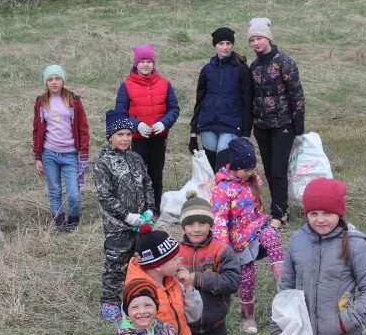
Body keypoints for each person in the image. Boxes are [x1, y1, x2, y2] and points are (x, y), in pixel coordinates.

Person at [275, 177, 366, 335]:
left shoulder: (355, 244)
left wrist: (347, 321)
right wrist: (281, 325)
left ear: (339, 213)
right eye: (313, 213)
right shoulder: (297, 241)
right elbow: (287, 287)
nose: (320, 219)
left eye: (327, 213)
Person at [211, 138, 284, 334]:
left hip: (257, 229)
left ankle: (282, 282)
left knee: (272, 236)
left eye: (252, 168)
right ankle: (247, 317)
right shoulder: (222, 189)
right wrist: (223, 249)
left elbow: (257, 209)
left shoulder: (251, 182)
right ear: (235, 166)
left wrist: (266, 220)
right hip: (238, 242)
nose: (251, 173)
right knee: (247, 279)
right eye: (247, 169)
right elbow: (219, 222)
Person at [94, 110, 157, 323]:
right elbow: (105, 196)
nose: (125, 139)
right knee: (116, 264)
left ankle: (139, 298)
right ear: (110, 137)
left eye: (128, 134)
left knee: (141, 261)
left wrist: (149, 210)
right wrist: (127, 216)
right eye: (120, 134)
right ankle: (110, 301)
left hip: (142, 224)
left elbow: (148, 184)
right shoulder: (104, 162)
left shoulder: (136, 158)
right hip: (117, 226)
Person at [248, 17, 304, 225]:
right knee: (270, 169)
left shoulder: (284, 62)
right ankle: (279, 207)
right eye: (252, 40)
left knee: (279, 169)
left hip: (283, 125)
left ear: (268, 38)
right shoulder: (253, 66)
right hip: (261, 126)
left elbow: (296, 94)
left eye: (259, 38)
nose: (256, 43)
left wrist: (298, 126)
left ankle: (279, 213)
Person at [177, 192, 240, 335]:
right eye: (190, 224)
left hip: (215, 324)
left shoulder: (221, 250)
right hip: (186, 325)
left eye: (202, 223)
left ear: (210, 224)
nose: (196, 229)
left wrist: (196, 279)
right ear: (183, 226)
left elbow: (232, 281)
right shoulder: (175, 252)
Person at [115, 44, 180, 210]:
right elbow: (120, 113)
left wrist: (164, 123)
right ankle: (140, 208)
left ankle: (155, 208)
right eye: (142, 61)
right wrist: (137, 125)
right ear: (136, 64)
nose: (145, 65)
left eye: (149, 61)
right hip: (138, 139)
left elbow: (174, 108)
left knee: (156, 175)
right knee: (138, 175)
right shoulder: (126, 85)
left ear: (153, 63)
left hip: (159, 137)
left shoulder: (164, 83)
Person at [125, 229, 203, 335]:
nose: (179, 262)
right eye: (174, 259)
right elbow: (134, 333)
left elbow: (194, 316)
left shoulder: (174, 281)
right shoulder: (137, 293)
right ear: (158, 266)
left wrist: (188, 288)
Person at [32, 65, 90, 231]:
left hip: (70, 155)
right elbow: (37, 129)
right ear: (46, 82)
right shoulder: (41, 102)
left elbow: (83, 128)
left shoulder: (74, 101)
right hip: (49, 154)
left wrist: (84, 154)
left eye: (57, 78)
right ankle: (59, 221)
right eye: (50, 79)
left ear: (63, 80)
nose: (54, 82)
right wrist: (38, 157)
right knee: (55, 189)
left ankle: (73, 221)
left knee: (74, 194)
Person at [189, 27, 252, 171]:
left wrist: (246, 133)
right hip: (208, 125)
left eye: (228, 43)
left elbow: (247, 101)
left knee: (223, 168)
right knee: (211, 170)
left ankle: (225, 193)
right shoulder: (207, 69)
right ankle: (214, 194)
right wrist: (193, 133)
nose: (225, 47)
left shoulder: (242, 69)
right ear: (215, 45)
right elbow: (199, 100)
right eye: (221, 43)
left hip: (231, 125)